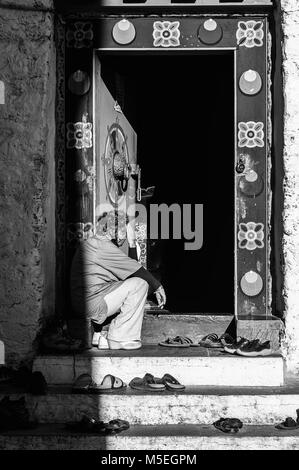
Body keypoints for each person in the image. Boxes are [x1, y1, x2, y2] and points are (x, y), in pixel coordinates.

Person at [70, 211, 166, 350]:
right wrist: (158, 287)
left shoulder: (99, 243)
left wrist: (131, 243)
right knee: (140, 285)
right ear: (113, 229)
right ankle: (119, 338)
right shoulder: (101, 246)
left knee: (134, 284)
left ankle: (100, 333)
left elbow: (131, 269)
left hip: (91, 299)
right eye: (123, 229)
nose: (125, 233)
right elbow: (137, 272)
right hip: (90, 304)